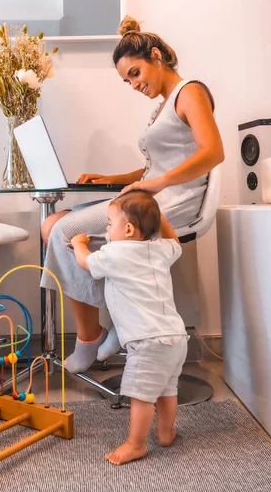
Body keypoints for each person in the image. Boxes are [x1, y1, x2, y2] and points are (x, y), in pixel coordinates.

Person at [40, 15, 224, 373]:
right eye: (127, 81)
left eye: (135, 74)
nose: (133, 85)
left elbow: (213, 151)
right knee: (53, 223)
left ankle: (90, 337)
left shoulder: (191, 92)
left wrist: (158, 184)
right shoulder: (163, 105)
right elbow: (152, 169)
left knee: (61, 232)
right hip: (150, 197)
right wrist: (111, 178)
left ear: (156, 55)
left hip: (170, 206)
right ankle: (112, 327)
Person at [71, 190, 187, 466]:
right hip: (176, 338)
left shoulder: (115, 253)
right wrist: (159, 216)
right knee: (167, 390)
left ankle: (136, 444)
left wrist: (79, 243)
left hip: (146, 342)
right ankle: (166, 432)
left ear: (129, 229)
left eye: (110, 224)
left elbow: (86, 263)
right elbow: (175, 241)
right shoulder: (160, 249)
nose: (108, 230)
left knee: (141, 395)